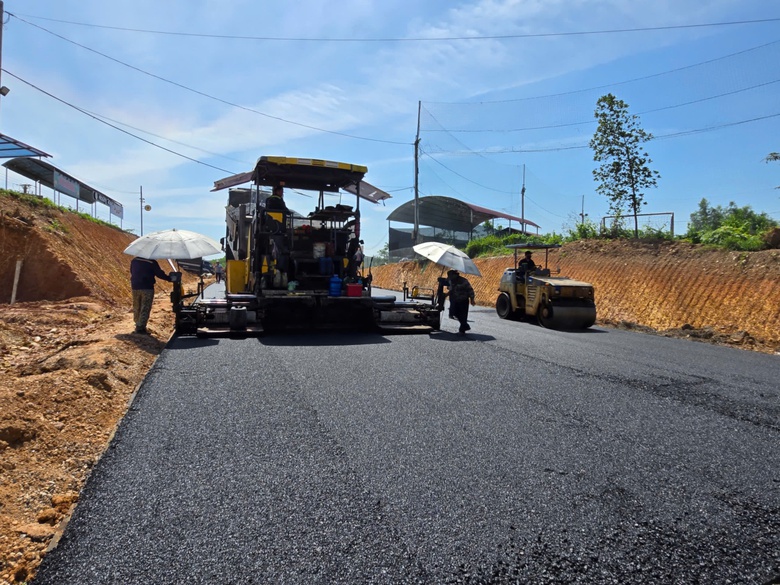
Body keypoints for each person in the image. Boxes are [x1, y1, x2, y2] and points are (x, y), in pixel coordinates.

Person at [130, 256, 172, 334]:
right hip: (147, 287)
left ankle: (137, 323)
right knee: (145, 307)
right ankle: (141, 328)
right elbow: (159, 274)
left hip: (135, 286)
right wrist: (170, 278)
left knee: (137, 306)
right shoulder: (151, 262)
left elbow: (132, 272)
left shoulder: (134, 261)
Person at [446, 269, 475, 336]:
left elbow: (470, 290)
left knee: (463, 315)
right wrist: (446, 295)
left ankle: (462, 330)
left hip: (463, 300)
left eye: (450, 276)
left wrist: (472, 299)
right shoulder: (451, 281)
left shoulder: (463, 281)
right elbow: (450, 290)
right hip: (455, 300)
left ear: (455, 275)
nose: (449, 277)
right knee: (454, 313)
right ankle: (465, 326)